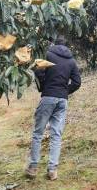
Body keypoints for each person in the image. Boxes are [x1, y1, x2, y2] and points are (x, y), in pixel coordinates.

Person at [26, 36, 81, 180]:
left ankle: (33, 167)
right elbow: (77, 82)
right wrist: (64, 91)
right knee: (56, 134)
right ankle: (52, 170)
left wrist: (44, 86)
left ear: (54, 44)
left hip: (48, 97)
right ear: (66, 46)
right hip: (62, 100)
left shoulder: (49, 55)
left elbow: (39, 72)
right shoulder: (71, 61)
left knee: (38, 133)